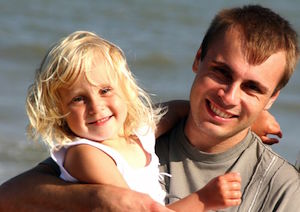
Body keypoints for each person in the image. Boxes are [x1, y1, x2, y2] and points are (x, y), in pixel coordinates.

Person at [0, 4, 297, 211]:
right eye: (221, 72)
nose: (230, 97)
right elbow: (8, 198)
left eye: (252, 88)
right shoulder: (108, 140)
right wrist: (97, 199)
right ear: (198, 60)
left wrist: (253, 119)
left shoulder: (282, 189)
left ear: (272, 97)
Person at [9, 30, 243, 211]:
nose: (96, 107)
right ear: (58, 112)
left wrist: (249, 121)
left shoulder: (136, 133)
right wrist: (204, 200)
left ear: (125, 90)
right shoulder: (86, 155)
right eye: (79, 99)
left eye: (105, 90)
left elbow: (180, 109)